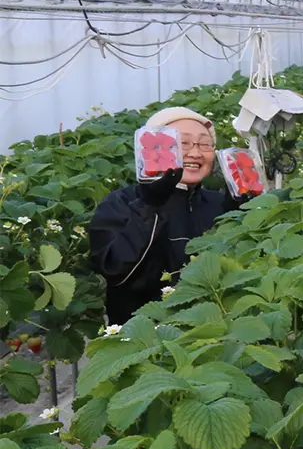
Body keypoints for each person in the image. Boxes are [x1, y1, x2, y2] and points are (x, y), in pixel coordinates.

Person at [89, 106, 251, 325]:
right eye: (182, 143)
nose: (195, 153)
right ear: (153, 147)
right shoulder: (122, 203)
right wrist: (151, 206)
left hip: (212, 333)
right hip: (145, 338)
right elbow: (116, 271)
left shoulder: (219, 203)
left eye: (204, 144)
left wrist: (242, 215)